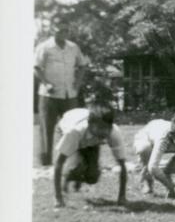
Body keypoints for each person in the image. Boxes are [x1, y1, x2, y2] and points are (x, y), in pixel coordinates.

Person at [52, 103, 127, 210]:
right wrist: (58, 198)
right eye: (100, 127)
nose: (104, 132)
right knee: (75, 168)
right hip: (66, 128)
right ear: (89, 124)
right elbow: (59, 163)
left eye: (107, 128)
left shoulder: (114, 132)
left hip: (89, 139)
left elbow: (122, 165)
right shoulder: (74, 132)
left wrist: (122, 196)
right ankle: (68, 179)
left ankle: (77, 178)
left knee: (93, 177)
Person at [35, 24, 89, 166]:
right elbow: (36, 68)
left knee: (73, 127)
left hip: (69, 94)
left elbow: (82, 65)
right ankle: (46, 164)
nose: (64, 33)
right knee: (47, 128)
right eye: (60, 30)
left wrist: (77, 84)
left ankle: (73, 162)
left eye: (66, 30)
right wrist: (46, 83)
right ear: (53, 31)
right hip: (49, 96)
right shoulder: (44, 47)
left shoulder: (73, 47)